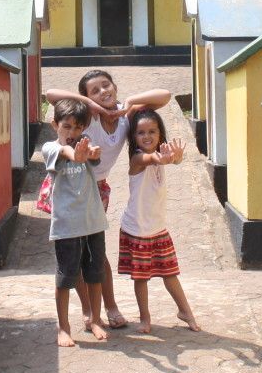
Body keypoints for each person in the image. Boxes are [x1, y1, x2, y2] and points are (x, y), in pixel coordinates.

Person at [43, 69, 171, 329]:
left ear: (114, 86)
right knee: (74, 254)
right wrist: (90, 105)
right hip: (68, 186)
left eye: (106, 85)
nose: (103, 92)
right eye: (95, 90)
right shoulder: (86, 117)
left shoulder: (126, 115)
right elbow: (50, 95)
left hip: (97, 189)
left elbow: (165, 96)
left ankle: (108, 306)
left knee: (97, 254)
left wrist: (131, 102)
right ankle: (89, 310)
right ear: (86, 98)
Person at [119, 107, 201, 333]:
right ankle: (145, 319)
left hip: (157, 229)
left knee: (170, 273)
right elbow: (152, 158)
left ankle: (186, 312)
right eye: (141, 133)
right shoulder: (137, 159)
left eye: (152, 132)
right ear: (133, 138)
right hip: (136, 229)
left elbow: (171, 160)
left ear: (160, 135)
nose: (147, 136)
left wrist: (176, 157)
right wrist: (164, 158)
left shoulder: (160, 157)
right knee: (141, 278)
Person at [41, 98, 109, 348]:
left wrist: (90, 154)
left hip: (93, 222)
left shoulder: (86, 147)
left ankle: (95, 318)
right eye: (66, 126)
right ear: (55, 125)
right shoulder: (50, 148)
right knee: (66, 276)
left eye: (78, 128)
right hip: (67, 226)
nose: (72, 133)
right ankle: (63, 327)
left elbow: (90, 156)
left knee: (95, 274)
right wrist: (76, 154)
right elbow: (66, 152)